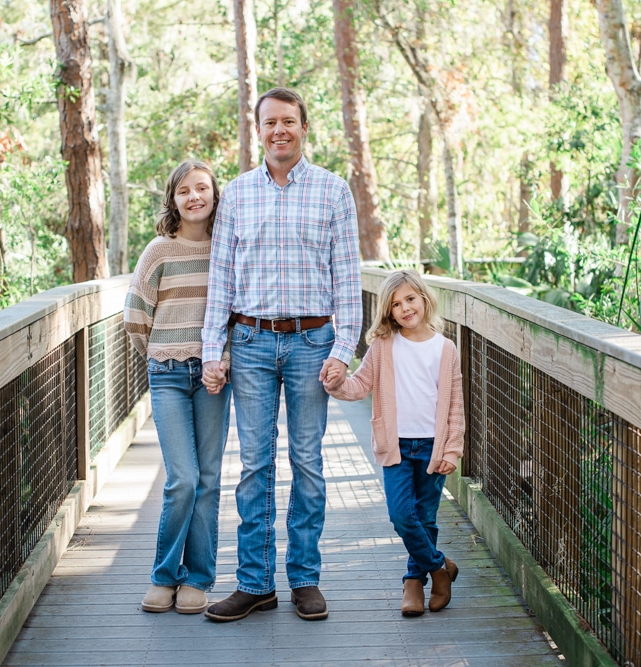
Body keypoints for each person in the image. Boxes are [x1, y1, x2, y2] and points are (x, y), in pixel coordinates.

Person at [200, 87, 362, 622]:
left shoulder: (334, 191)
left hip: (312, 344)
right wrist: (212, 350)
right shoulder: (237, 194)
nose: (279, 131)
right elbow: (221, 280)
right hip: (249, 343)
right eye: (269, 122)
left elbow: (348, 280)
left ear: (303, 127)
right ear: (259, 130)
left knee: (308, 462)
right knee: (254, 465)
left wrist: (343, 349)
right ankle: (255, 583)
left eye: (288, 121)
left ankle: (305, 579)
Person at [324, 270, 464, 617]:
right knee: (401, 515)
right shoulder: (383, 346)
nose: (405, 308)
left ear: (424, 298)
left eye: (410, 299)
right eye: (396, 304)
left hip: (433, 446)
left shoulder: (445, 349)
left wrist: (452, 449)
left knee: (426, 517)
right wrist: (337, 383)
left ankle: (413, 582)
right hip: (395, 445)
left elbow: (455, 405)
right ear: (388, 311)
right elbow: (360, 386)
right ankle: (439, 568)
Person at [125, 159, 231, 615]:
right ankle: (164, 575)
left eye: (201, 188)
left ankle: (198, 578)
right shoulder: (158, 251)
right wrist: (159, 353)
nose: (194, 197)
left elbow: (236, 315)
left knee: (207, 479)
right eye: (184, 190)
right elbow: (135, 316)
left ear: (214, 195)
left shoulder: (226, 251)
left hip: (212, 378)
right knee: (182, 479)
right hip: (167, 374)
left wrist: (223, 360)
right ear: (173, 199)